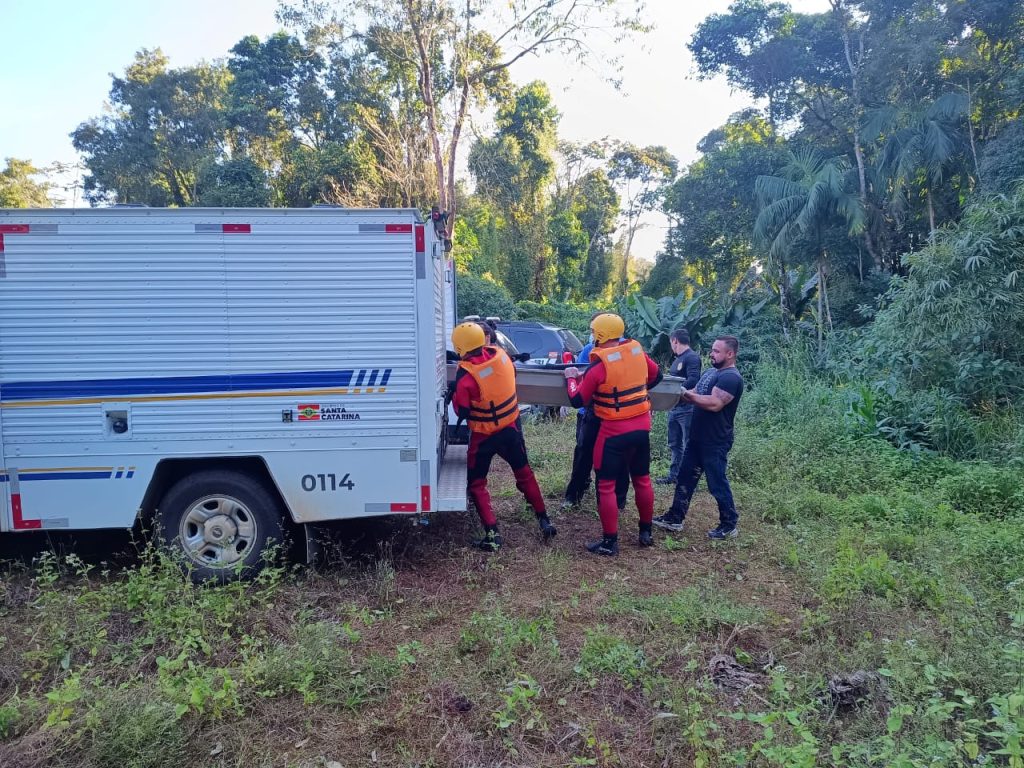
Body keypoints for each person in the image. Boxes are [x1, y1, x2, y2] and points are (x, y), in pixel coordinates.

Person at [450, 322, 556, 551]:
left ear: (460, 346)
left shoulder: (465, 376)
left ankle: (492, 535)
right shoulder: (502, 355)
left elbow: (462, 410)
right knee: (525, 473)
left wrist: (454, 392)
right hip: (510, 429)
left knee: (477, 484)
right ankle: (544, 520)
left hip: (483, 436)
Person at [564, 313, 662, 555]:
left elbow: (577, 400)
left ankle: (610, 543)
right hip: (641, 430)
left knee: (606, 486)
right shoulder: (637, 351)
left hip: (612, 433)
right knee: (642, 480)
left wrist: (571, 379)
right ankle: (646, 532)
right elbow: (656, 376)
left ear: (598, 335)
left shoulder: (599, 366)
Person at [653, 335, 744, 539]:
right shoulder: (711, 372)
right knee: (685, 477)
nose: (711, 354)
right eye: (712, 350)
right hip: (697, 438)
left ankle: (729, 524)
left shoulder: (731, 377)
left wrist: (687, 394)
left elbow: (714, 403)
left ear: (730, 354)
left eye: (717, 351)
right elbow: (695, 391)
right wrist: (673, 392)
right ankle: (675, 518)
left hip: (715, 441)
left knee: (717, 482)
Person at [561, 320, 629, 513]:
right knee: (583, 454)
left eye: (593, 331)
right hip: (593, 413)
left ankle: (618, 501)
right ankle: (574, 495)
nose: (591, 334)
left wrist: (572, 379)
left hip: (616, 416)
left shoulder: (629, 352)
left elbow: (577, 396)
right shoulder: (591, 349)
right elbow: (583, 370)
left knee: (619, 458)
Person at [656, 329, 702, 484]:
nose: (672, 346)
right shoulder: (678, 359)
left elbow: (694, 380)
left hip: (687, 407)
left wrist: (677, 390)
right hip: (674, 407)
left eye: (671, 343)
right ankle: (674, 475)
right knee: (674, 443)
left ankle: (690, 479)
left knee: (688, 443)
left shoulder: (692, 357)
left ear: (674, 340)